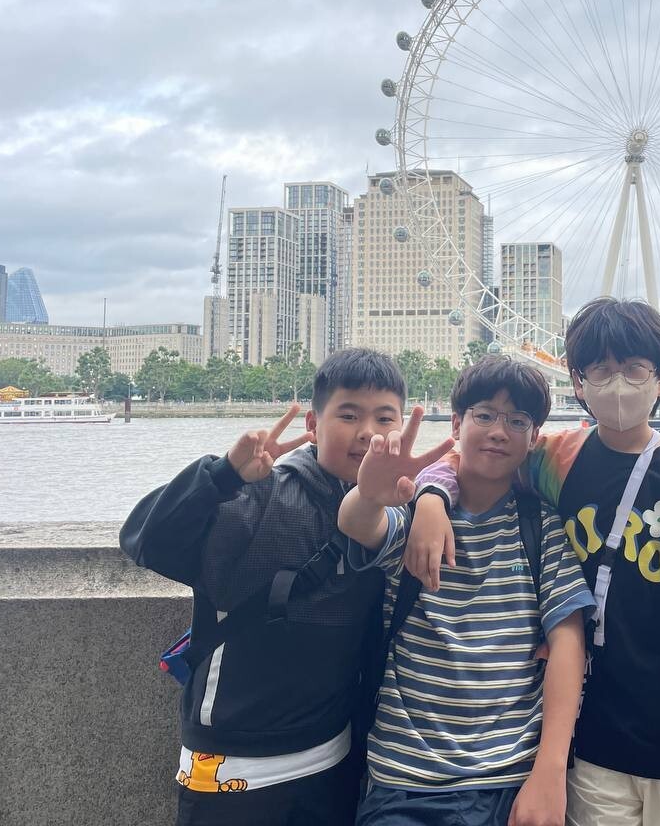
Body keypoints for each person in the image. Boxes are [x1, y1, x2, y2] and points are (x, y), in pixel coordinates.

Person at [412, 298, 660, 826]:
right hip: (588, 738)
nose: (618, 384)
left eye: (634, 369)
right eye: (600, 370)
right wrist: (431, 497)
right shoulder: (555, 461)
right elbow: (474, 457)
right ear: (579, 382)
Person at [121, 348, 446, 826]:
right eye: (348, 415)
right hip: (234, 765)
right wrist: (223, 476)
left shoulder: (396, 512)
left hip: (335, 755)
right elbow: (147, 541)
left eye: (384, 418)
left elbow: (465, 470)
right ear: (314, 423)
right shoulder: (261, 494)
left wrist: (433, 496)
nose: (367, 432)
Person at [339, 355, 593, 826]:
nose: (499, 431)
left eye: (517, 421)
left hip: (508, 777)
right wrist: (369, 493)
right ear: (457, 423)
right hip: (404, 778)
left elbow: (568, 642)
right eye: (485, 415)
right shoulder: (414, 517)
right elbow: (358, 524)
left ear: (534, 436)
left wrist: (550, 771)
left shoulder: (540, 528)